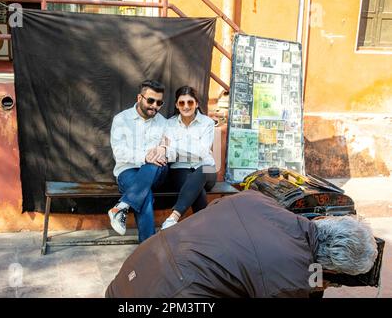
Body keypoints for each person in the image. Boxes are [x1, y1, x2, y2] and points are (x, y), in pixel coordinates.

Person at [105, 190, 378, 298]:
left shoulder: (257, 199)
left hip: (130, 275)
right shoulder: (291, 281)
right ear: (331, 268)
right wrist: (313, 283)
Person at [108, 79, 169, 243]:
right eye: (150, 100)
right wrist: (144, 156)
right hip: (127, 171)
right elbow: (119, 153)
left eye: (159, 102)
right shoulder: (121, 119)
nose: (154, 105)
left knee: (154, 164)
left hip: (157, 172)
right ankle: (148, 248)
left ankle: (121, 207)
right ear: (139, 98)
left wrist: (164, 149)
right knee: (145, 195)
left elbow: (171, 147)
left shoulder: (163, 122)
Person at [160, 86, 217, 230]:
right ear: (176, 105)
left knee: (202, 170)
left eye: (190, 102)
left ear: (196, 103)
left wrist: (176, 148)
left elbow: (202, 153)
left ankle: (174, 216)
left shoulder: (207, 123)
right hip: (180, 169)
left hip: (207, 168)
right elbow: (170, 155)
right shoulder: (169, 124)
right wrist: (178, 150)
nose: (186, 106)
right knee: (198, 190)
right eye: (182, 103)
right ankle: (204, 231)